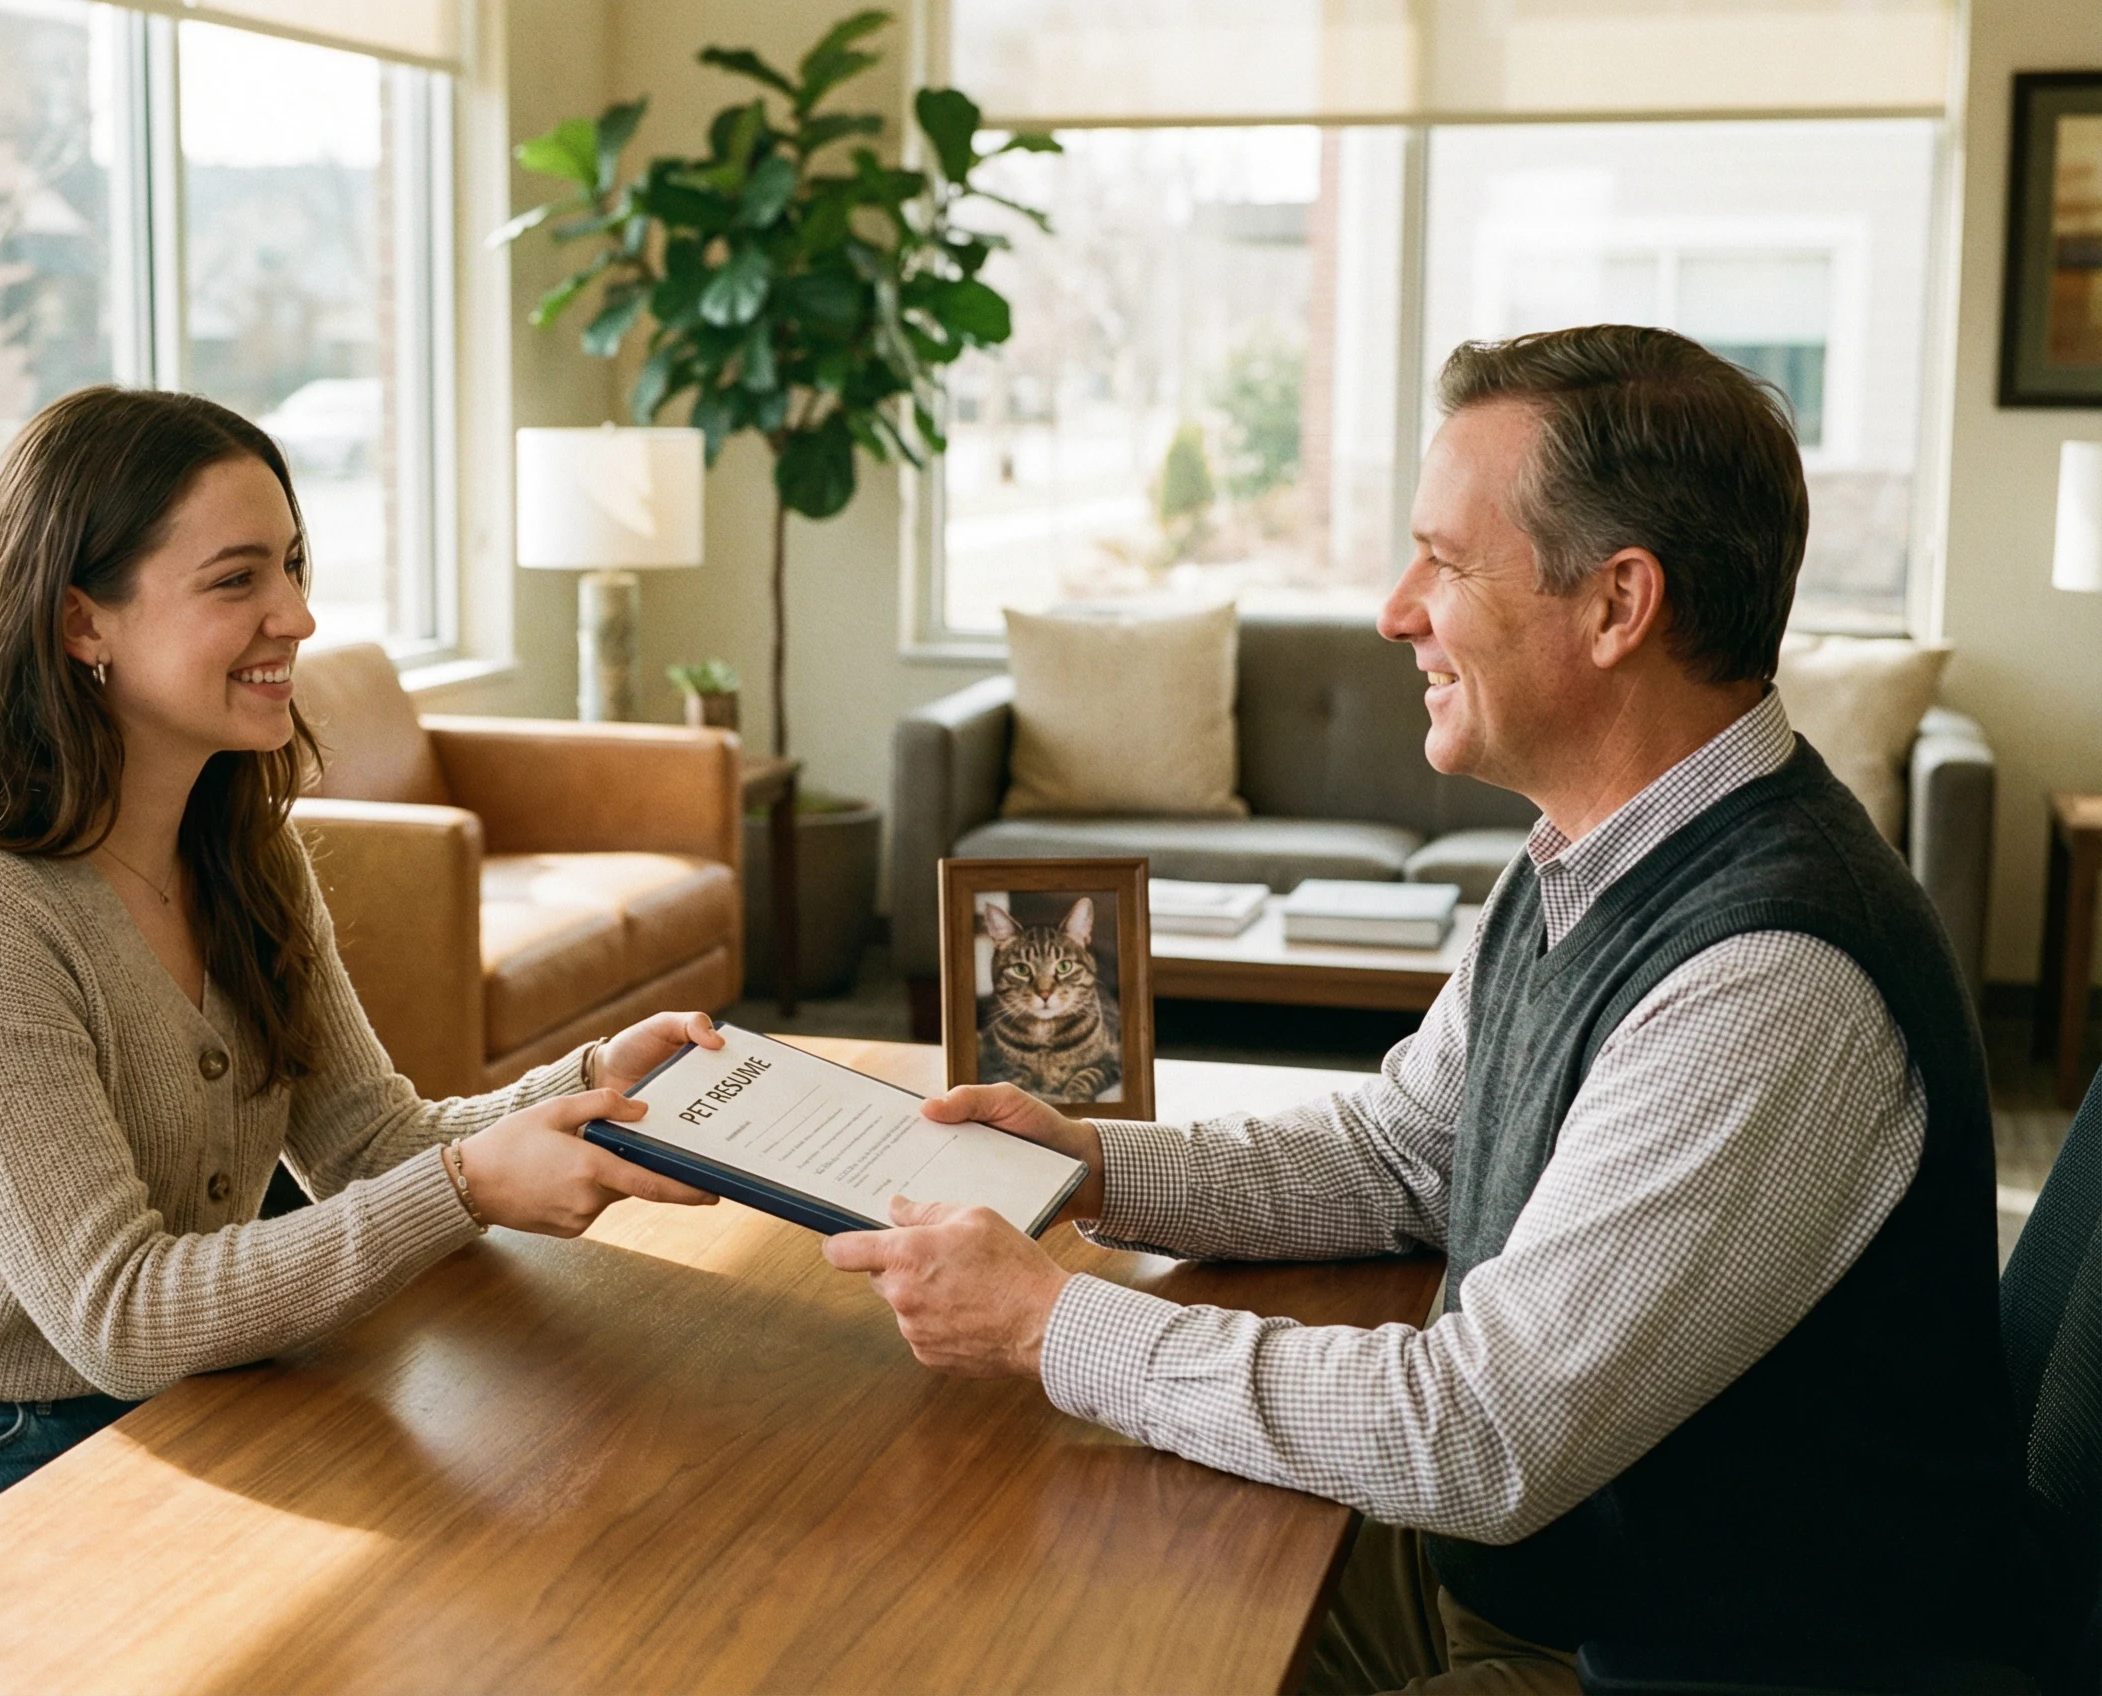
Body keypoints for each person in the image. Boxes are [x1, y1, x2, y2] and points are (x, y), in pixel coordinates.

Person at [826, 326, 2032, 1686]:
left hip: (1671, 1659)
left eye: (1446, 564)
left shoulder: (1769, 979)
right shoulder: (1589, 853)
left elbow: (1479, 1438)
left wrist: (1054, 1326)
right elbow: (1406, 1153)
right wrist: (1096, 1164)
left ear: (1616, 605)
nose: (1397, 611)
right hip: (1541, 1584)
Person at [0, 386, 723, 1621]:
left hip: (186, 1408)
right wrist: (471, 1186)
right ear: (80, 622)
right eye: (237, 580)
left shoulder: (241, 852)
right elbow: (121, 1314)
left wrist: (594, 1083)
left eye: (292, 565)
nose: (299, 615)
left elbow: (371, 1144)